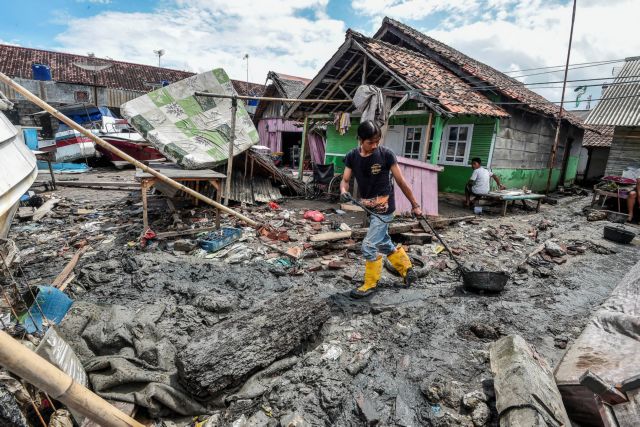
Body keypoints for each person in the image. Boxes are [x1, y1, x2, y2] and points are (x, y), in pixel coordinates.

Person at [340, 120, 423, 298]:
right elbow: (345, 179)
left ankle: (370, 284)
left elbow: (401, 182)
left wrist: (415, 205)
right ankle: (407, 270)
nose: (374, 145)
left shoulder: (386, 154)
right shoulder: (352, 156)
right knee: (383, 243)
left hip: (385, 209)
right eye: (370, 142)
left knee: (369, 246)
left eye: (377, 141)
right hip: (369, 209)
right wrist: (343, 190)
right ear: (360, 140)